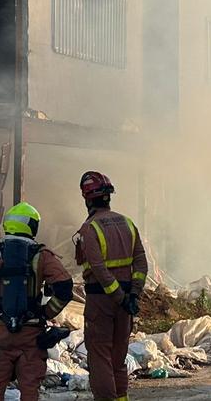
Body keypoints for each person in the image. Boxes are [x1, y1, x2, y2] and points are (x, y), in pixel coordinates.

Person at [0, 202, 73, 401]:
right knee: (29, 389)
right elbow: (64, 287)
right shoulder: (41, 256)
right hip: (31, 335)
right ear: (32, 226)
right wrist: (46, 313)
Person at [74, 171, 148, 401]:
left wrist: (119, 296)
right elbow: (141, 263)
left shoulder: (90, 229)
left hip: (102, 300)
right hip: (125, 301)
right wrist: (132, 296)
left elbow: (98, 269)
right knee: (118, 358)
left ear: (87, 199)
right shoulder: (127, 223)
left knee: (100, 358)